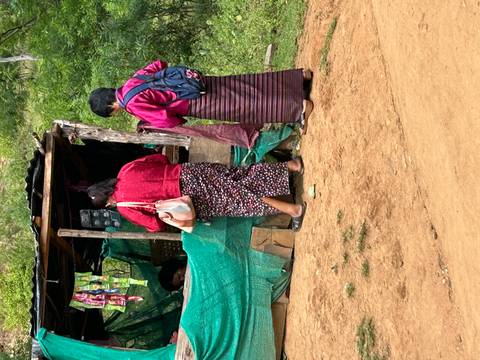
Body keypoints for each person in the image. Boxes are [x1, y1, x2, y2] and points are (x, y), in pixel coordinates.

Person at [88, 60, 313, 147]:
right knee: (246, 84)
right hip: (195, 82)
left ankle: (299, 107)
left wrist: (178, 119)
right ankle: (299, 78)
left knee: (245, 105)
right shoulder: (131, 82)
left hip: (193, 101)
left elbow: (164, 119)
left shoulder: (130, 103)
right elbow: (158, 64)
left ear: (110, 108)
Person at [87, 153, 306, 233]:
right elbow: (160, 160)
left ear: (108, 202)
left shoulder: (125, 207)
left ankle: (293, 209)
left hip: (190, 196)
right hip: (189, 171)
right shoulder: (125, 170)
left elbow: (155, 226)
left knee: (240, 200)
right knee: (240, 176)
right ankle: (292, 166)